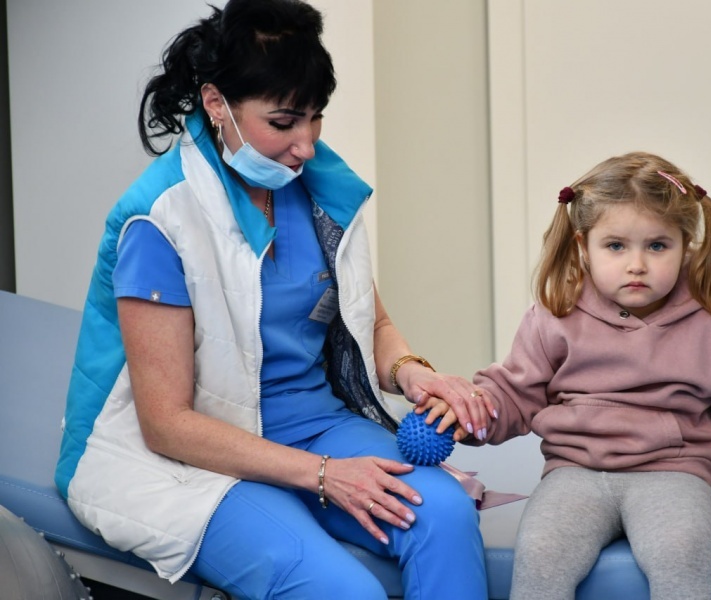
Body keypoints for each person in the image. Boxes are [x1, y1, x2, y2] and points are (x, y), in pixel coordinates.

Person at [54, 1, 493, 598]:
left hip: (314, 424)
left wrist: (415, 374)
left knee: (444, 515)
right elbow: (166, 425)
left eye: (315, 118)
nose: (305, 145)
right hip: (196, 455)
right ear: (216, 104)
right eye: (284, 123)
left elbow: (371, 322)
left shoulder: (317, 190)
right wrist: (324, 476)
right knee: (345, 591)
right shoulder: (161, 218)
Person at [420, 152, 711, 600]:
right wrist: (471, 414)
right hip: (574, 473)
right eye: (615, 246)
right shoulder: (554, 316)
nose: (637, 264)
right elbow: (516, 393)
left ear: (686, 244)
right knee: (540, 552)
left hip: (675, 473)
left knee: (679, 555)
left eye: (658, 246)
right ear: (583, 246)